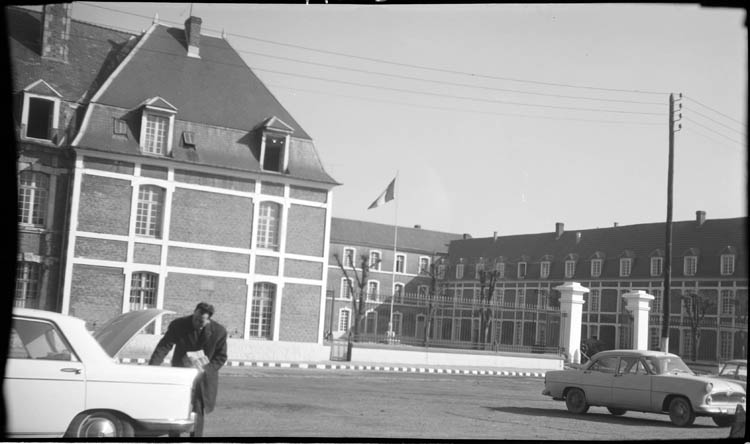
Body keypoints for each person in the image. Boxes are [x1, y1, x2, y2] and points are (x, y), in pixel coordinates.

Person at [149, 302, 228, 437]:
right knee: (176, 408)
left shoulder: (219, 332)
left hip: (203, 378)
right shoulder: (178, 325)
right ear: (194, 312)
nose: (197, 323)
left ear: (208, 319)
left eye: (201, 321)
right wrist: (152, 368)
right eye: (195, 318)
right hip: (181, 374)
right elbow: (164, 346)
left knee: (198, 411)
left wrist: (206, 368)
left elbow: (221, 357)